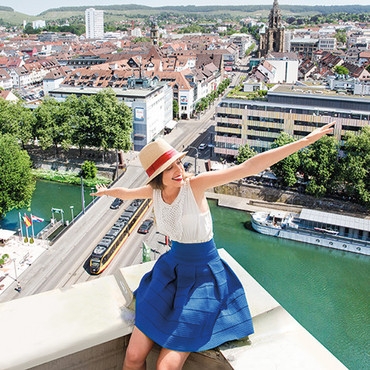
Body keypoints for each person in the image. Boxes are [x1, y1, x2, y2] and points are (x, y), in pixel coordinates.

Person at [91, 122, 335, 370]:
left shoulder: (194, 186)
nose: (178, 169)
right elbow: (126, 192)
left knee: (166, 367)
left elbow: (248, 167)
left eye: (178, 163)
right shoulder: (153, 192)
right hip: (170, 273)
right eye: (169, 167)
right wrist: (108, 192)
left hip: (203, 278)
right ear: (157, 178)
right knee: (133, 358)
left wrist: (306, 141)